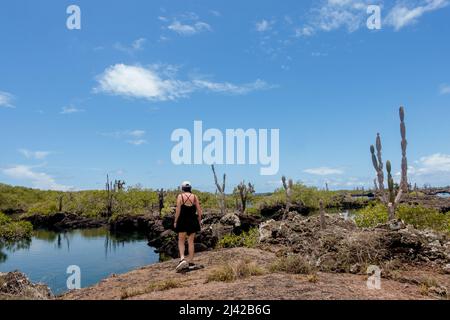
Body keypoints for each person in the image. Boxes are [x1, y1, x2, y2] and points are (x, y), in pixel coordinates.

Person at [174, 181, 202, 272]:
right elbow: (199, 210)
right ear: (190, 188)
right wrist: (199, 220)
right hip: (193, 220)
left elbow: (178, 210)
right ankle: (191, 261)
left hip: (182, 221)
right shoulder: (194, 197)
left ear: (182, 188)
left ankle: (182, 259)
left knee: (181, 240)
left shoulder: (180, 196)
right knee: (191, 241)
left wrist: (175, 221)